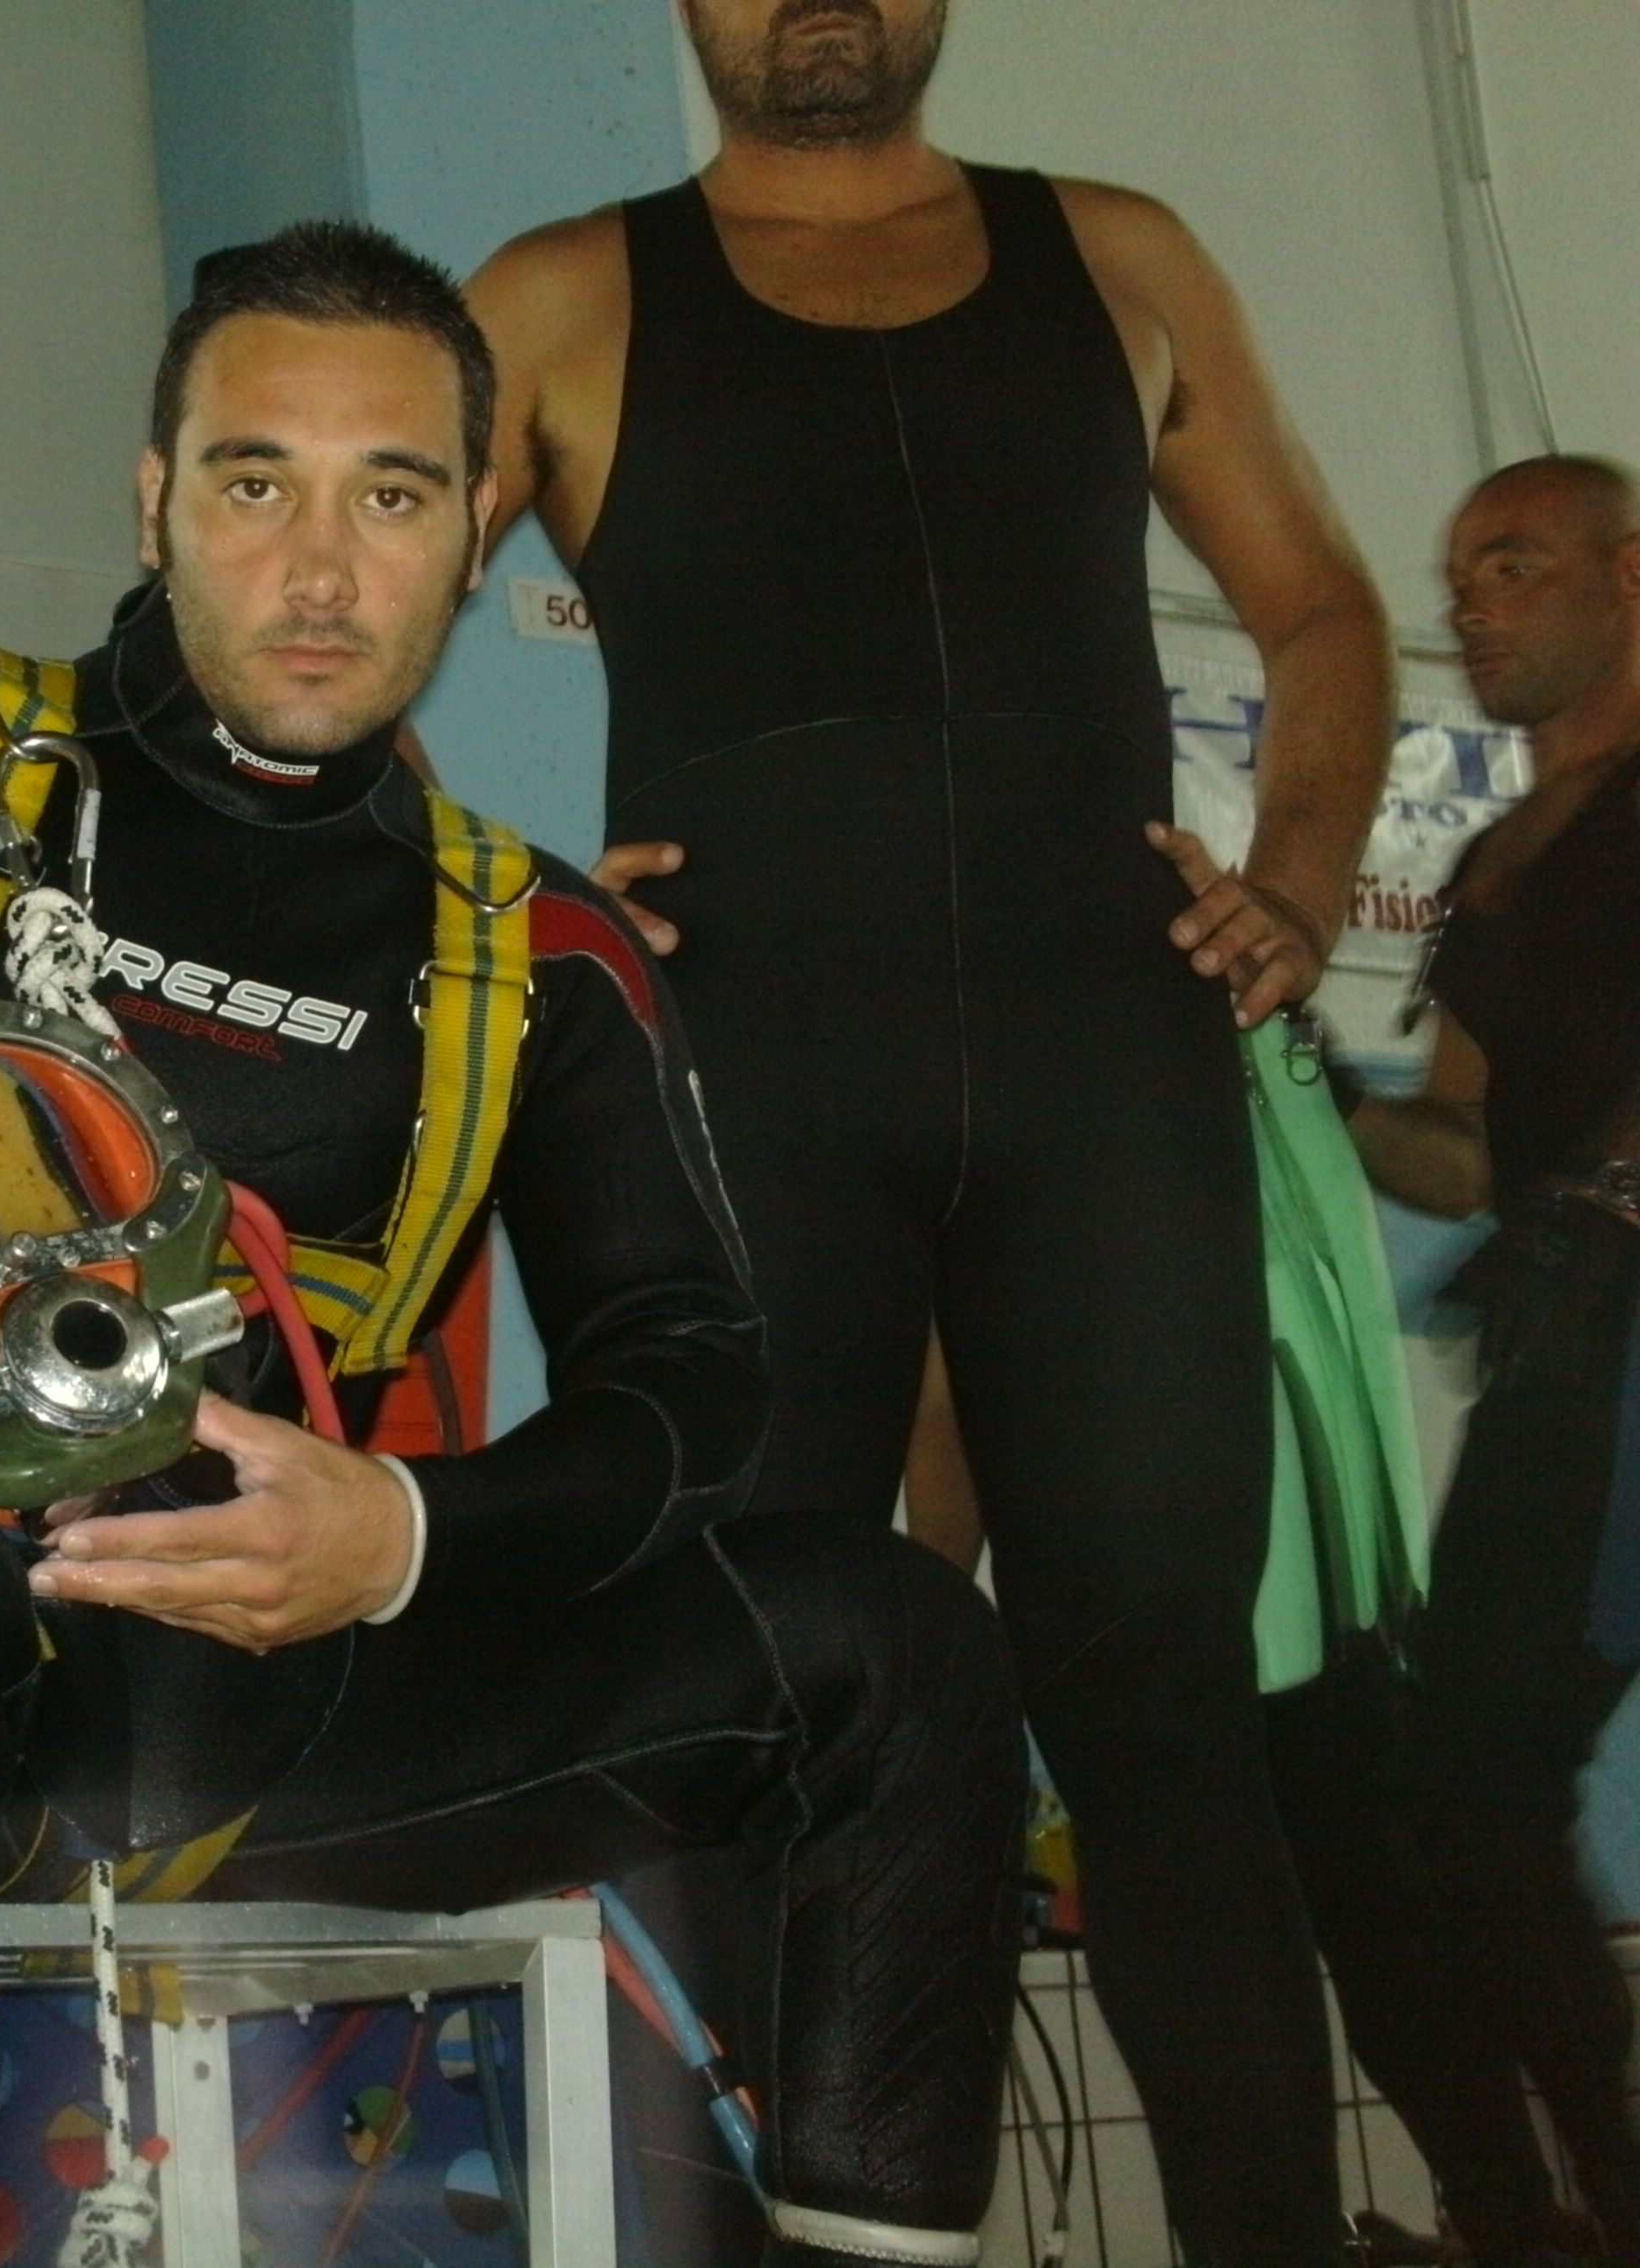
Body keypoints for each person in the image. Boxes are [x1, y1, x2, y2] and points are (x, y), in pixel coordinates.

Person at [0, 220, 1024, 2268]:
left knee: (896, 1639)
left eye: (389, 496)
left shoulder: (534, 948)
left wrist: (403, 1535)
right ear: (153, 501)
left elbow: (692, 1381)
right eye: (252, 480)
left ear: (470, 531)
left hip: (256, 1697)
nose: (317, 569)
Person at [459, 2, 1397, 2258]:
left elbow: (1321, 605)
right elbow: (318, 616)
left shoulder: (1121, 258)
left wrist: (1295, 878)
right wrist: (492, 912)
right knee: (747, 1699)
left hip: (1108, 1074)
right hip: (750, 1075)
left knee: (1167, 1727)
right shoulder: (560, 296)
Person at [1351, 454, 1640, 2265]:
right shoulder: (1493, 862)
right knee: (1454, 1792)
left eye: (1515, 565)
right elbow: (1461, 1149)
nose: (1471, 603)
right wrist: (1308, 1091)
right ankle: (1562, 2215)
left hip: (1614, 1330)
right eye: (1460, 576)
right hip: (1570, 1350)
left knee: (1472, 1782)